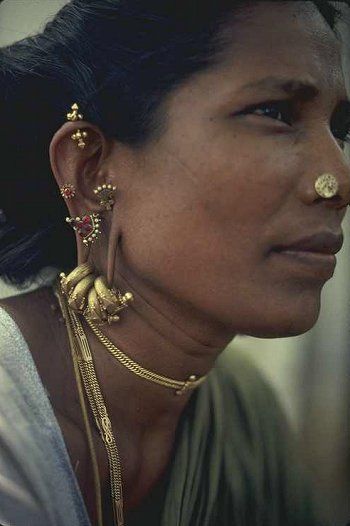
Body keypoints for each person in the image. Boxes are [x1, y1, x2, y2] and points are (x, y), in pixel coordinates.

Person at [0, 0, 349, 525]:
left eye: (340, 129)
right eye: (275, 113)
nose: (338, 181)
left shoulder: (244, 415)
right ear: (90, 170)